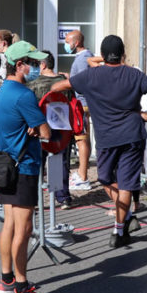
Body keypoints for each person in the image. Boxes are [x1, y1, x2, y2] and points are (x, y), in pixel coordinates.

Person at [51, 35, 147, 248]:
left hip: (108, 139)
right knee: (121, 183)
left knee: (106, 179)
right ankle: (126, 217)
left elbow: (58, 87)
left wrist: (51, 95)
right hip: (133, 135)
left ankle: (119, 229)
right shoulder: (134, 74)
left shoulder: (91, 75)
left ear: (102, 56)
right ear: (123, 53)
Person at [0, 40, 53, 293]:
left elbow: (18, 123)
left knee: (10, 225)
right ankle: (21, 287)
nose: (36, 67)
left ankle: (7, 279)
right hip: (24, 166)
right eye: (32, 63)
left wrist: (31, 126)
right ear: (19, 65)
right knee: (24, 229)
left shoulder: (2, 90)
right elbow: (46, 132)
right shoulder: (24, 94)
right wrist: (37, 127)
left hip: (6, 163)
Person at [27, 50, 73, 209]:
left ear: (43, 64)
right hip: (62, 126)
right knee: (58, 162)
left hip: (41, 128)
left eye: (36, 63)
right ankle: (63, 198)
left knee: (38, 163)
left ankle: (35, 200)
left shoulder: (33, 84)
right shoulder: (64, 82)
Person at [63, 29, 93, 190]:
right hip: (83, 102)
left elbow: (83, 82)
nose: (66, 45)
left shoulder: (83, 59)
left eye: (68, 42)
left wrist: (68, 81)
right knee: (82, 138)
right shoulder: (83, 57)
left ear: (77, 42)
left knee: (82, 139)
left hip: (83, 103)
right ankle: (82, 174)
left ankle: (83, 177)